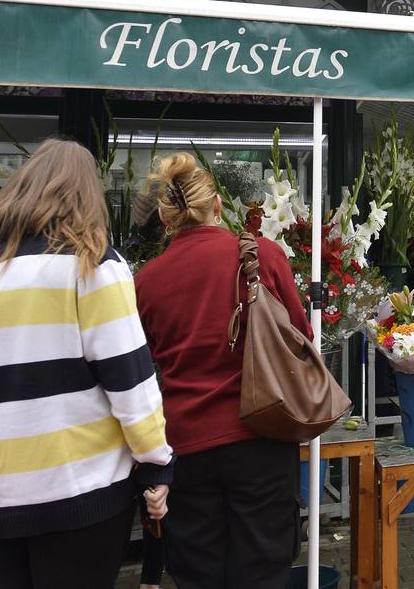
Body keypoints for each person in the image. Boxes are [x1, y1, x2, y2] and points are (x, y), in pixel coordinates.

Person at [0, 138, 172, 589]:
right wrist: (156, 462)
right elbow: (130, 382)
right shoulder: (93, 265)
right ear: (88, 197)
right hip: (76, 492)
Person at [134, 153, 313, 589]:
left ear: (164, 215)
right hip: (262, 436)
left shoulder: (146, 282)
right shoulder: (263, 257)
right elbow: (302, 338)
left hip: (186, 448)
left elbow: (140, 367)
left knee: (197, 576)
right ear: (217, 205)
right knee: (264, 573)